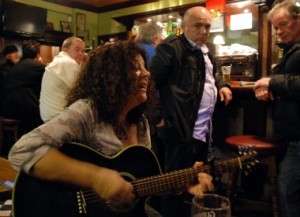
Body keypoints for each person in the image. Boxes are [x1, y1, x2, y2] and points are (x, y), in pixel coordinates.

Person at [8, 41, 214, 217]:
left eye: (145, 67)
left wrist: (181, 184)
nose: (147, 73)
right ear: (112, 76)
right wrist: (97, 178)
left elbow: (140, 183)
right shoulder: (87, 111)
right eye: (136, 67)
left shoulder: (140, 122)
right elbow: (21, 151)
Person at [149, 6, 232, 217]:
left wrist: (223, 85)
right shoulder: (172, 48)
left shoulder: (207, 50)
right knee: (174, 185)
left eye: (207, 26)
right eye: (198, 26)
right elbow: (149, 84)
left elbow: (211, 76)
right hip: (178, 129)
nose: (204, 31)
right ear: (184, 27)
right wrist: (159, 120)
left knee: (197, 181)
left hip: (203, 131)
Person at [253, 2, 300, 217]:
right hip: (291, 135)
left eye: (283, 24)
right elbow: (286, 78)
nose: (279, 31)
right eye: (276, 28)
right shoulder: (291, 49)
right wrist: (270, 83)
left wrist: (271, 83)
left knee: (288, 191)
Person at [0, 39, 45, 136]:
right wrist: (40, 62)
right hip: (16, 108)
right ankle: (36, 139)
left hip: (6, 106)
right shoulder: (36, 66)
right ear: (37, 54)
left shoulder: (18, 65)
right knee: (42, 111)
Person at [39, 36, 85, 122]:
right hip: (57, 118)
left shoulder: (58, 61)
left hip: (46, 115)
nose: (81, 54)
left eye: (83, 51)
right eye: (77, 49)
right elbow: (82, 92)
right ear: (65, 50)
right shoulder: (67, 62)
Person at [0, 45, 20, 115]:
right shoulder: (3, 69)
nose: (17, 55)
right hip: (7, 102)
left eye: (17, 52)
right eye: (13, 53)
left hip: (14, 100)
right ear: (7, 56)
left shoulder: (18, 66)